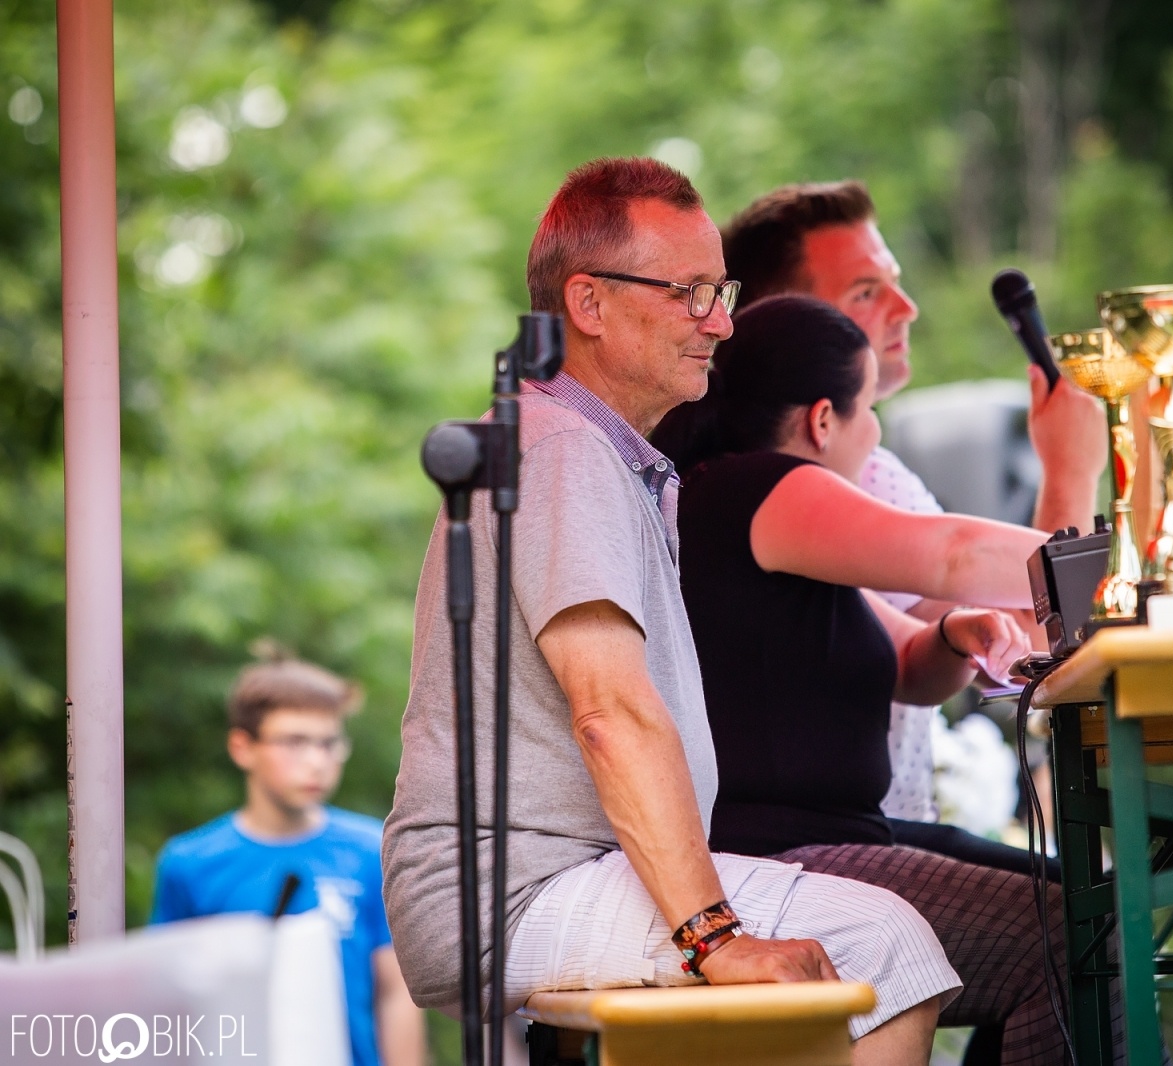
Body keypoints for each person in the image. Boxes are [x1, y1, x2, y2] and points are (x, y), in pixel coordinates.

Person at [382, 157, 961, 1066]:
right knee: (888, 946)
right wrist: (713, 939)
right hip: (520, 888)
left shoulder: (604, 456)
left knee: (854, 952)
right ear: (589, 303)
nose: (722, 322)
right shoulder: (563, 449)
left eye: (720, 289)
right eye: (690, 293)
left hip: (558, 875)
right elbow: (609, 712)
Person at [655, 294, 1126, 1064]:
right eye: (869, 406)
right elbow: (951, 553)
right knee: (1073, 930)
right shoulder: (759, 488)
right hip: (776, 855)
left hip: (830, 839)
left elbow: (912, 667)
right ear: (821, 421)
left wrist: (952, 633)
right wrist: (1130, 563)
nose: (875, 431)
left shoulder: (767, 518)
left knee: (1090, 901)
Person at [721, 181, 1106, 841]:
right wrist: (1071, 471)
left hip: (884, 833)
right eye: (865, 293)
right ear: (784, 322)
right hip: (831, 848)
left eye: (894, 282)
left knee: (1074, 898)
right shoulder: (768, 481)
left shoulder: (869, 471)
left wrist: (959, 634)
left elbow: (996, 643)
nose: (907, 309)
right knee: (1076, 910)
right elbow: (1044, 635)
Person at [151, 657, 425, 1066]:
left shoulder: (372, 851)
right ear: (242, 748)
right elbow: (170, 1004)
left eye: (329, 743)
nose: (317, 760)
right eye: (295, 742)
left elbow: (396, 994)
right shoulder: (190, 863)